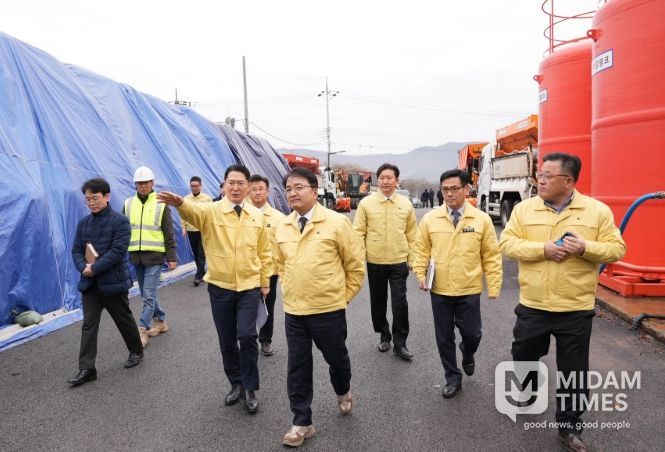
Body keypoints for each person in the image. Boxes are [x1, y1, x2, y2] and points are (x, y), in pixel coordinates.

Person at [499, 153, 626, 452]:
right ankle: (529, 387)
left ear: (568, 181)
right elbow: (506, 244)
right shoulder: (524, 209)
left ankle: (569, 427)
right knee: (523, 354)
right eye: (539, 175)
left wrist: (585, 247)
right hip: (534, 304)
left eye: (547, 175)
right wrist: (542, 249)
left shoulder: (596, 211)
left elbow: (617, 248)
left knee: (574, 372)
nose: (540, 180)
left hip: (575, 307)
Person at [157, 164, 272, 414]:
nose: (235, 187)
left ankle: (250, 388)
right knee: (227, 340)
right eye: (231, 182)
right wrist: (180, 203)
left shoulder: (257, 215)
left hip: (249, 286)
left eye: (240, 183)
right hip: (220, 287)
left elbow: (265, 251)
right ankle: (236, 384)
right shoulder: (211, 211)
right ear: (224, 185)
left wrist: (265, 282)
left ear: (248, 187)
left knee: (247, 336)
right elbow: (194, 212)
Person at [274, 167, 365, 447]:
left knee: (337, 360)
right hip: (295, 311)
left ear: (314, 191)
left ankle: (343, 390)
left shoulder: (337, 223)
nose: (292, 193)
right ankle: (302, 422)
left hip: (328, 310)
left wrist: (341, 298)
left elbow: (355, 267)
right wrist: (289, 288)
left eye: (298, 187)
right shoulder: (283, 226)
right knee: (297, 367)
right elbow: (280, 264)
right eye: (288, 189)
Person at [414, 169, 502, 399]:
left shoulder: (481, 219)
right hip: (440, 289)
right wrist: (420, 274)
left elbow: (491, 255)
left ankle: (468, 352)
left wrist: (494, 285)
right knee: (444, 338)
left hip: (468, 288)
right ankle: (452, 377)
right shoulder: (431, 219)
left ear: (466, 189)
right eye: (445, 189)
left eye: (454, 188)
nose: (449, 194)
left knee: (473, 334)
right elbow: (421, 250)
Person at [68, 178, 143, 386]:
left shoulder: (120, 221)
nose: (91, 202)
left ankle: (136, 350)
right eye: (87, 199)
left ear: (107, 196)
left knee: (123, 319)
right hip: (90, 285)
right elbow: (76, 250)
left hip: (113, 283)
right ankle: (87, 369)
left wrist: (94, 268)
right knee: (88, 325)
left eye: (95, 198)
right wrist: (83, 267)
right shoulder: (84, 223)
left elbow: (118, 252)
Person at [353, 163, 417, 360]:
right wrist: (359, 259)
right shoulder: (366, 203)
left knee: (400, 303)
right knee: (378, 302)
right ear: (377, 180)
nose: (385, 181)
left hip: (399, 260)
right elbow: (358, 233)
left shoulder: (405, 204)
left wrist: (412, 259)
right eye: (381, 178)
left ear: (397, 181)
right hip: (375, 260)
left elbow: (412, 234)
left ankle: (400, 343)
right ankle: (384, 335)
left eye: (389, 178)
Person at [123, 166, 177, 347]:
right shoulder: (128, 204)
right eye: (140, 183)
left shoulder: (161, 204)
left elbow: (168, 232)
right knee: (148, 293)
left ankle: (142, 328)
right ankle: (161, 321)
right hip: (136, 256)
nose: (143, 186)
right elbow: (123, 230)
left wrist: (172, 257)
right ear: (135, 184)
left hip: (155, 256)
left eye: (146, 182)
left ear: (152, 183)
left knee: (147, 294)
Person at [248, 174, 286, 357]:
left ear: (267, 191)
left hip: (270, 271)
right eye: (253, 189)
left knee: (267, 306)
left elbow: (283, 247)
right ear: (248, 191)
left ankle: (266, 340)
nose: (257, 192)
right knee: (246, 307)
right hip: (247, 270)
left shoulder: (279, 218)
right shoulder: (241, 214)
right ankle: (247, 340)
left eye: (260, 189)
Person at [181, 176, 212, 286]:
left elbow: (210, 214)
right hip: (191, 229)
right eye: (192, 186)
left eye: (196, 186)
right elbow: (183, 214)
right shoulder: (186, 199)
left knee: (201, 253)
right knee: (195, 253)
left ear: (200, 186)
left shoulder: (207, 199)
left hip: (203, 230)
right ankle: (202, 272)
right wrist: (184, 227)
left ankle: (198, 276)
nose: (194, 188)